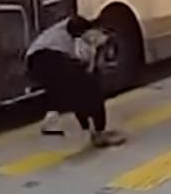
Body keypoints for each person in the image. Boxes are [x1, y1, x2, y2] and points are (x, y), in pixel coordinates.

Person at [26, 16, 125, 148]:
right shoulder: (73, 38)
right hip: (48, 59)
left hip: (34, 63)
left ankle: (86, 128)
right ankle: (98, 132)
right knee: (90, 87)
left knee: (76, 90)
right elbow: (85, 65)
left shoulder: (64, 31)